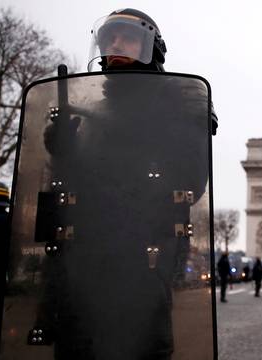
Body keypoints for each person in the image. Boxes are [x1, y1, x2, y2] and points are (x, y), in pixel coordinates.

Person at [28, 8, 218, 359]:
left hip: (139, 272)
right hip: (77, 275)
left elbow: (189, 181)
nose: (114, 44)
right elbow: (64, 199)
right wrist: (62, 153)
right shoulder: (87, 116)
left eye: (126, 37)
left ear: (152, 47)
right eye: (108, 38)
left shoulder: (175, 103)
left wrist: (191, 119)